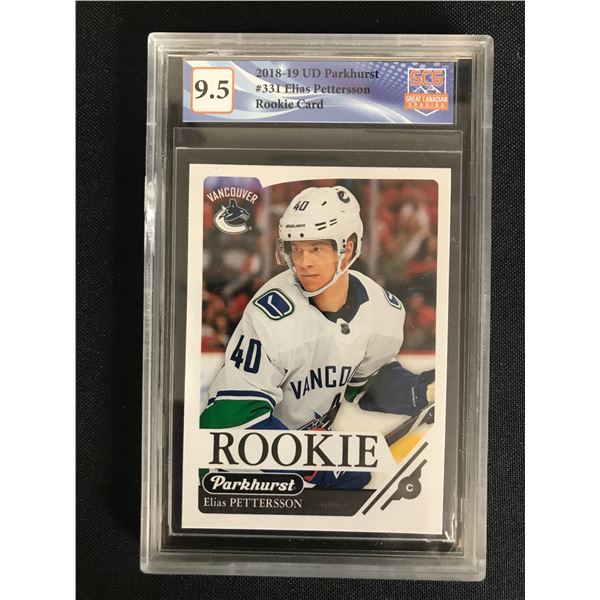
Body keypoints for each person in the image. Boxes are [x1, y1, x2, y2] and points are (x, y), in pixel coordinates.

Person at [200, 186, 434, 489]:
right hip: (231, 474)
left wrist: (416, 391)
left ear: (348, 248)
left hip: (299, 460)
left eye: (316, 248)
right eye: (296, 248)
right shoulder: (271, 315)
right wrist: (314, 462)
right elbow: (231, 421)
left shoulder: (381, 309)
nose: (303, 262)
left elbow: (364, 381)